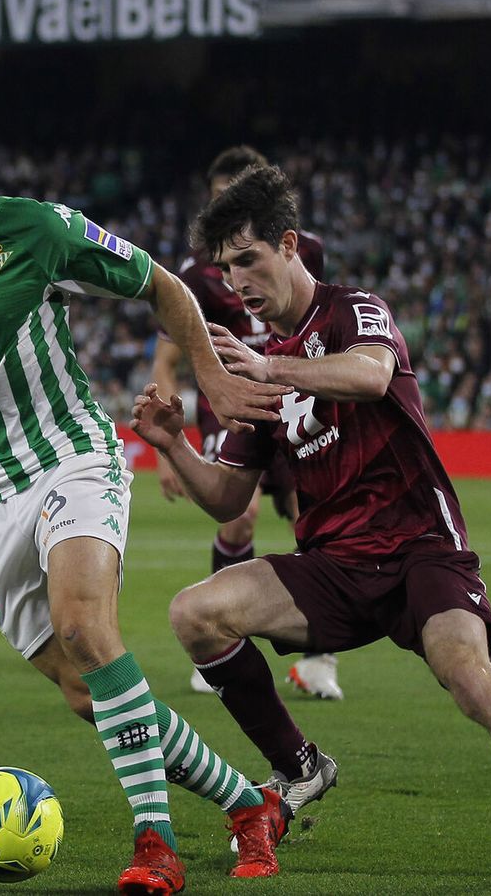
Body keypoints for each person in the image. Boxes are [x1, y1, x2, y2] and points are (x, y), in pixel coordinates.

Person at [0, 72, 294, 895]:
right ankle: (248, 803)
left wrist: (212, 376)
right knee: (88, 691)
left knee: (85, 628)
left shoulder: (35, 231)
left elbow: (163, 285)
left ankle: (156, 846)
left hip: (70, 456)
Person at [129, 166, 491, 885]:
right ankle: (299, 767)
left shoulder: (352, 311)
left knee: (468, 675)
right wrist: (173, 446)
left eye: (248, 259)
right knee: (196, 614)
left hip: (420, 548)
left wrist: (271, 369)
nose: (237, 281)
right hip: (333, 565)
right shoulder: (259, 363)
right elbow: (227, 498)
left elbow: (370, 376)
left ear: (289, 245)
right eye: (225, 268)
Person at [152, 146, 344, 701]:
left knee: (314, 516)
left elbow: (318, 319)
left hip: (293, 393)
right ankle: (220, 647)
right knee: (242, 515)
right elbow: (167, 359)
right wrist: (170, 449)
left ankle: (318, 659)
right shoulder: (194, 275)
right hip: (231, 405)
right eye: (218, 201)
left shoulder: (307, 251)